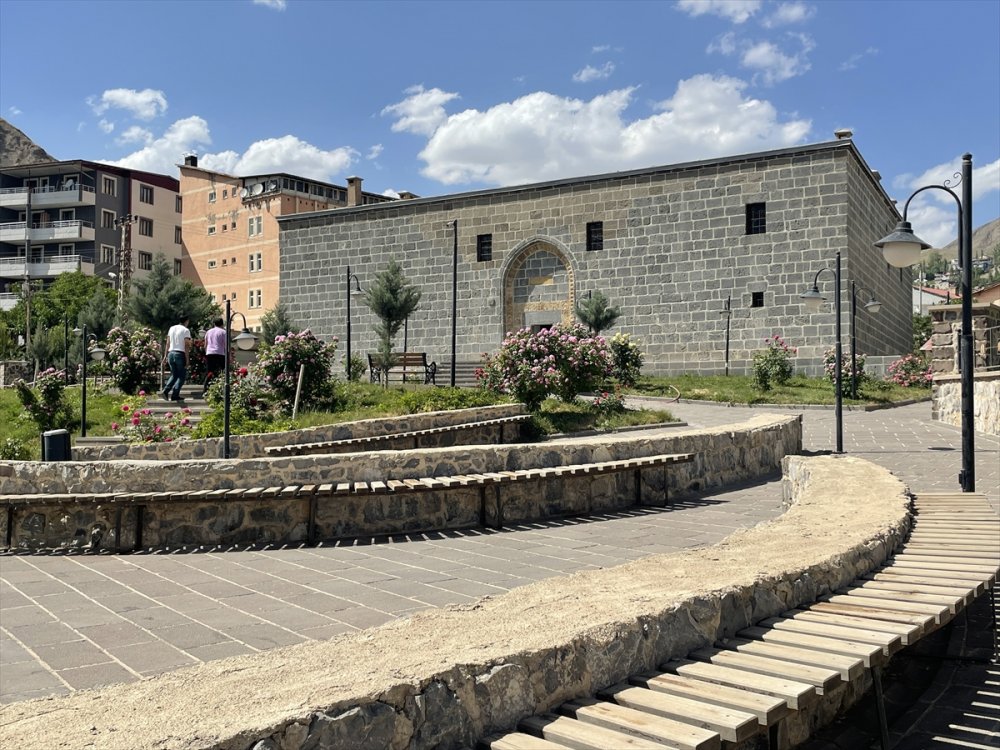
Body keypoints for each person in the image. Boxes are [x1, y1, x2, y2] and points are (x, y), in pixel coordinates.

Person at [162, 315, 192, 402]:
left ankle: (166, 390)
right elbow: (186, 345)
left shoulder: (171, 328)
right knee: (181, 376)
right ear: (186, 321)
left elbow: (167, 343)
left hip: (171, 353)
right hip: (180, 354)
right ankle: (175, 394)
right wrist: (187, 359)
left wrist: (165, 356)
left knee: (174, 375)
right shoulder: (186, 330)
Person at [203, 317, 227, 392]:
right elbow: (226, 345)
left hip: (210, 353)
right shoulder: (223, 332)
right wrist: (228, 356)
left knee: (209, 372)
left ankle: (205, 389)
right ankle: (221, 388)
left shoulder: (208, 332)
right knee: (223, 371)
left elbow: (205, 345)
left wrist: (206, 352)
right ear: (222, 324)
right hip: (219, 353)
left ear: (214, 324)